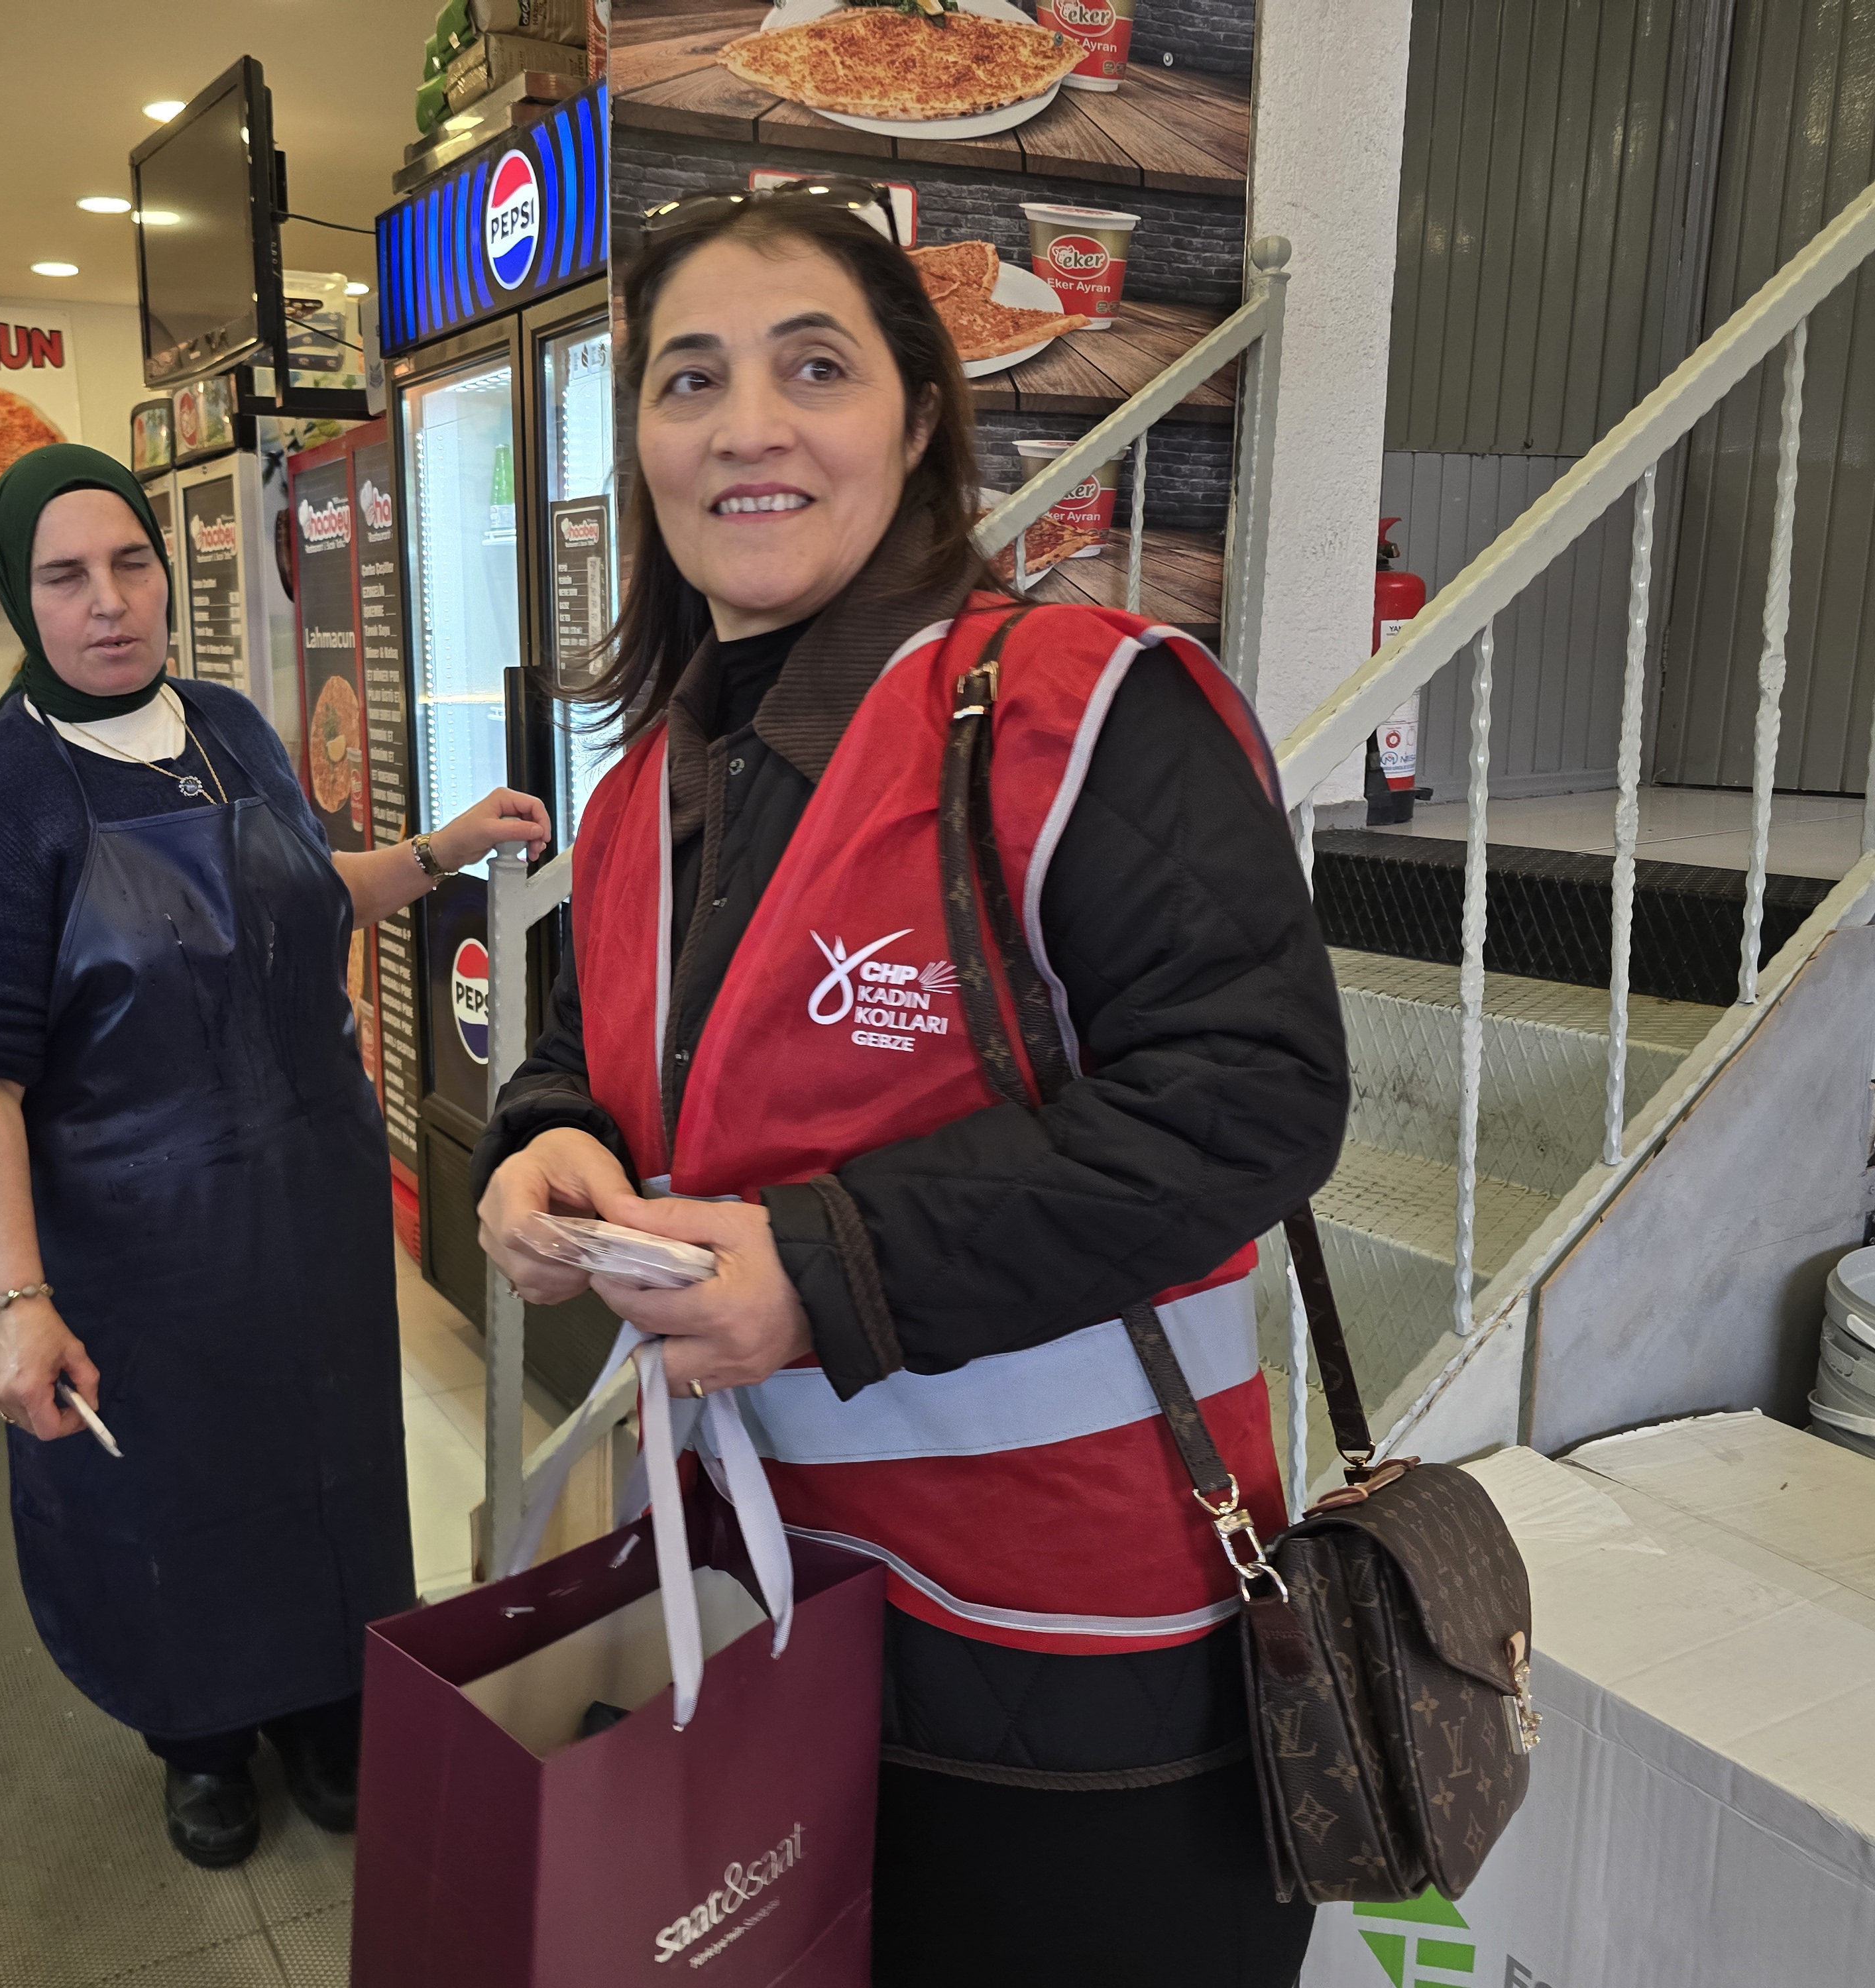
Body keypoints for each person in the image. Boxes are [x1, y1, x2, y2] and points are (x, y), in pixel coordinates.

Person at [472, 187, 1349, 1986]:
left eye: (814, 368)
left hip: (1076, 1659)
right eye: (689, 380)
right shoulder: (641, 790)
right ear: (642, 443)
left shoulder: (1079, 711)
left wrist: (823, 1266)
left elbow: (1252, 1094)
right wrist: (544, 1137)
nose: (748, 426)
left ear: (919, 416)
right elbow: (591, 1050)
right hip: (753, 1603)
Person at [0, 444, 549, 1871]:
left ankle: (325, 1703)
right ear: (19, 596)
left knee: (327, 1461)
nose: (109, 602)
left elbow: (303, 895)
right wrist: (17, 1300)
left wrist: (439, 851)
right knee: (170, 1490)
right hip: (132, 1240)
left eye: (131, 564)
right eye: (65, 577)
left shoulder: (233, 727)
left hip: (307, 1208)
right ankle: (196, 1738)